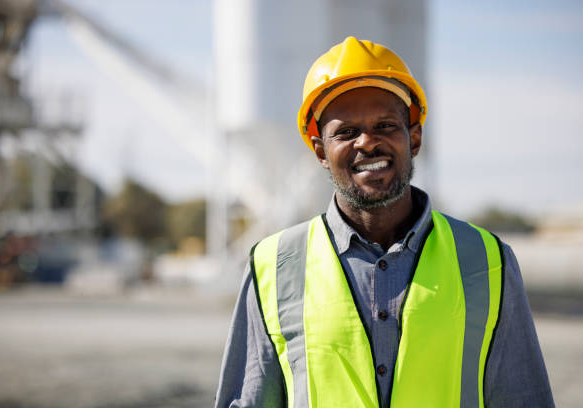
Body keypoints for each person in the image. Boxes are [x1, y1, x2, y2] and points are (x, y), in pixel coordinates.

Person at [215, 36, 554, 408]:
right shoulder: (273, 267)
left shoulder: (487, 261)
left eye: (386, 126)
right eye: (346, 132)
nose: (367, 142)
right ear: (320, 151)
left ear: (415, 137)